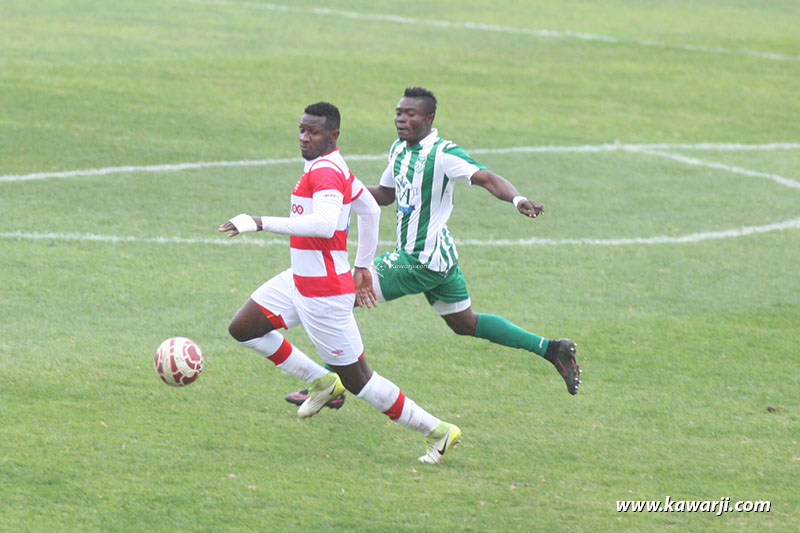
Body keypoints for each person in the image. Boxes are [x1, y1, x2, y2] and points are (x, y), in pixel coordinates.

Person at [286, 88, 580, 409]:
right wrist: (340, 188)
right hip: (440, 260)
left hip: (416, 260)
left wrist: (518, 198)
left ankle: (334, 384)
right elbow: (385, 194)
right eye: (399, 112)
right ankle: (552, 349)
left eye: (411, 114)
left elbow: (486, 177)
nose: (401, 118)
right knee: (464, 323)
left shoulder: (443, 153)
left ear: (429, 118)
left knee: (342, 296)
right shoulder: (399, 150)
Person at [219, 102, 460, 464]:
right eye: (301, 130)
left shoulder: (327, 172)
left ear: (333, 135)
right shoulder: (330, 165)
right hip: (298, 280)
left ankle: (438, 432)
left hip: (324, 294)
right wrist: (362, 264)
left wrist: (258, 221)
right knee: (245, 327)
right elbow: (370, 209)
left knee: (359, 380)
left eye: (313, 132)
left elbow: (325, 223)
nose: (304, 137)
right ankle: (321, 381)